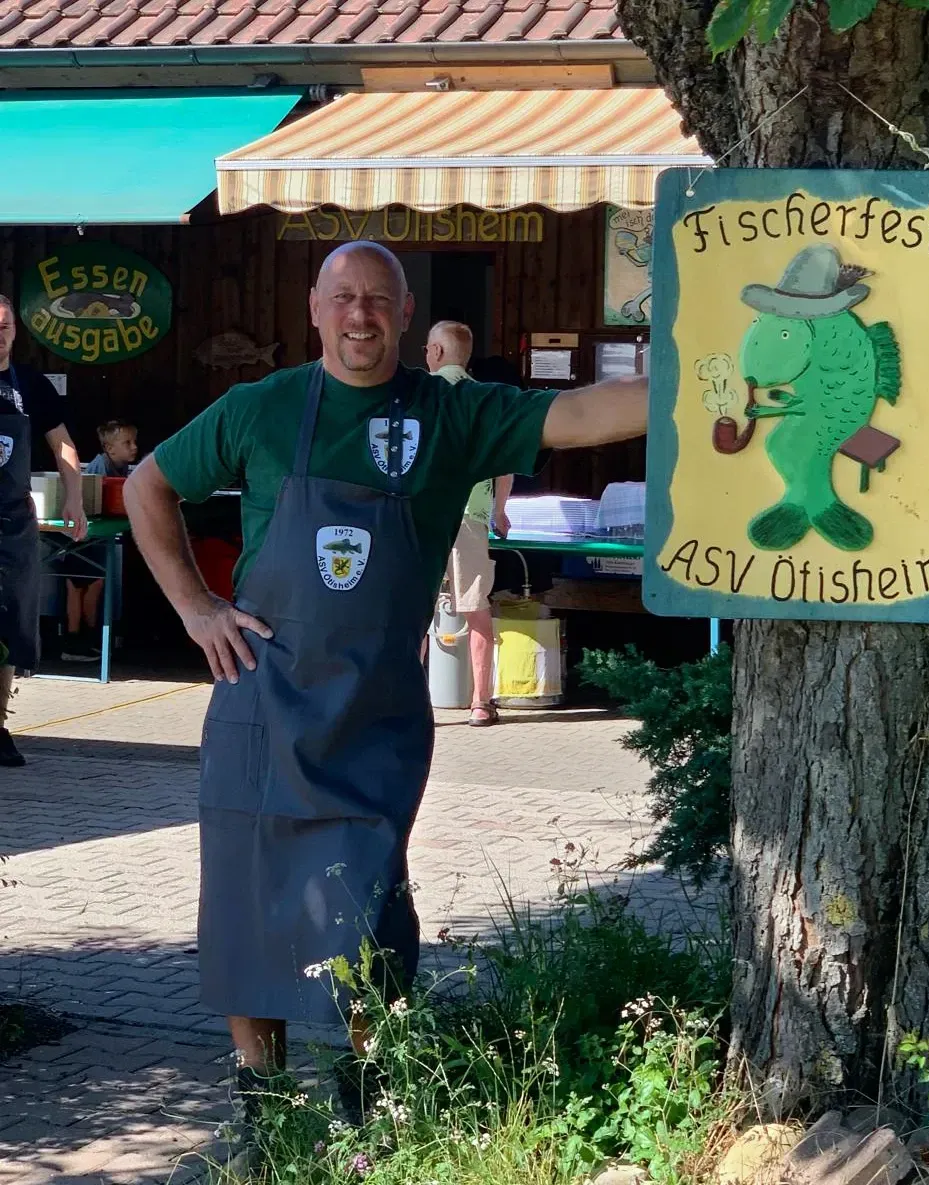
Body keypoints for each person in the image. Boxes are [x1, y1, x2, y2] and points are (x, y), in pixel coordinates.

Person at [122, 241, 646, 1164]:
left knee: (368, 912)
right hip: (258, 698)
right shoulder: (262, 406)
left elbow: (577, 413)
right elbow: (145, 485)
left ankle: (369, 1108)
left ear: (405, 317)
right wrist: (196, 609)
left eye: (378, 300)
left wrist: (701, 380)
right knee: (247, 907)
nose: (360, 315)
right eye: (344, 298)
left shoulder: (452, 414)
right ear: (316, 310)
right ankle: (263, 1115)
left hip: (376, 713)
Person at [0, 296, 87, 764]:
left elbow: (63, 445)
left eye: (5, 326)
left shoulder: (30, 384)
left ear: (15, 330)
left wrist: (74, 499)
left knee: (10, 623)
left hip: (13, 522)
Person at [424, 321, 510, 725]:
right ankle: (480, 702)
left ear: (437, 353)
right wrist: (500, 511)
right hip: (470, 518)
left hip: (422, 516)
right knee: (477, 611)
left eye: (428, 349)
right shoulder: (485, 401)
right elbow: (505, 464)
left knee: (414, 611)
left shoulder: (417, 397)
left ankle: (406, 702)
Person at [57, 421, 139, 662]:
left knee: (93, 586)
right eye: (127, 443)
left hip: (97, 539)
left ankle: (87, 641)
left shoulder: (122, 468)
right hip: (83, 538)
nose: (134, 447)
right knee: (80, 587)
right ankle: (74, 643)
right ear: (109, 448)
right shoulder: (98, 469)